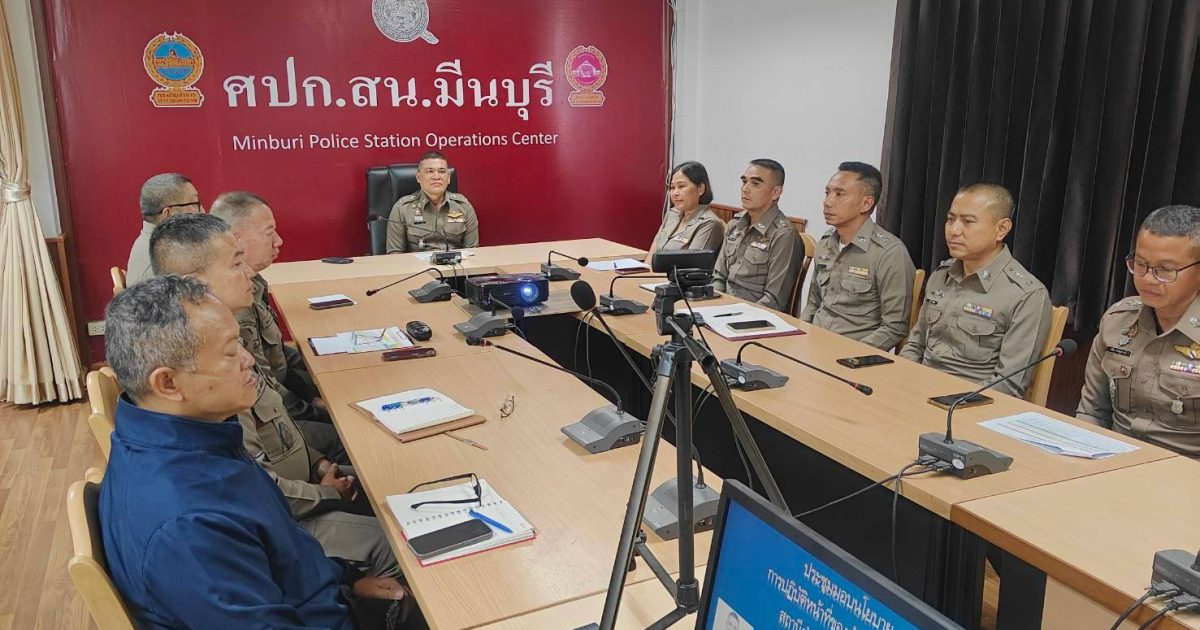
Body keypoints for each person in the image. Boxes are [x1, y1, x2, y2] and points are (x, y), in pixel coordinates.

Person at [100, 275, 406, 628]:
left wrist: (349, 579)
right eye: (231, 352)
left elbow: (286, 549)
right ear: (168, 383)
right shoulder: (187, 525)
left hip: (323, 596)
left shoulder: (199, 437)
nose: (248, 360)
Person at [150, 213, 400, 579]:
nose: (248, 272)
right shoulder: (207, 375)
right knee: (398, 540)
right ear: (194, 284)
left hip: (300, 483)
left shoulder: (220, 342)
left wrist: (317, 464)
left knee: (392, 481)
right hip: (285, 519)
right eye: (236, 263)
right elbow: (260, 492)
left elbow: (280, 425)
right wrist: (326, 493)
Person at [900, 183, 1051, 397]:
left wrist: (943, 400)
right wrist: (901, 380)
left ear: (1002, 229)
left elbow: (1008, 384)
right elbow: (915, 345)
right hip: (916, 389)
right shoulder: (941, 275)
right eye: (950, 219)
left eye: (968, 222)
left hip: (967, 403)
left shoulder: (1025, 294)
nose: (954, 230)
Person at [1077, 205, 1200, 458]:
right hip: (1110, 461)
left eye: (1165, 270)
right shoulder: (1118, 320)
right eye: (1140, 264)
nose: (1147, 279)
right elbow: (1092, 412)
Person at [210, 191, 329, 425]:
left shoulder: (254, 281)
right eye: (269, 232)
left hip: (289, 403)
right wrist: (319, 411)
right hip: (280, 420)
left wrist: (316, 387)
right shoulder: (235, 304)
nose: (279, 241)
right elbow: (265, 386)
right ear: (236, 239)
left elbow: (279, 357)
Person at [802, 162, 915, 350]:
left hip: (851, 353)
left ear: (866, 203)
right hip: (814, 343)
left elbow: (894, 327)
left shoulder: (889, 253)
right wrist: (801, 335)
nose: (827, 202)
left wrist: (852, 355)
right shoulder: (826, 242)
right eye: (827, 193)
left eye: (840, 194)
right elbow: (813, 303)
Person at [711, 159, 801, 312]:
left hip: (754, 316)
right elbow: (718, 277)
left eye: (755, 184)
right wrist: (714, 307)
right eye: (744, 182)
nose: (745, 189)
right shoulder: (735, 224)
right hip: (722, 309)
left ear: (775, 192)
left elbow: (774, 300)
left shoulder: (783, 235)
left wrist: (735, 315)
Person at [386, 151, 479, 253]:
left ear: (448, 178)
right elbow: (395, 254)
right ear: (418, 177)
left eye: (442, 171)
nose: (436, 177)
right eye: (430, 171)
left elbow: (472, 251)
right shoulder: (402, 209)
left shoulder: (464, 206)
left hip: (458, 262)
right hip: (418, 263)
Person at [124, 173, 202, 285]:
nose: (202, 211)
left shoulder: (158, 245)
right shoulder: (162, 264)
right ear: (168, 214)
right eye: (195, 203)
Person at [645, 161, 725, 262]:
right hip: (654, 272)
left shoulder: (709, 223)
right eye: (672, 187)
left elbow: (691, 264)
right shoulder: (671, 214)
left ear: (700, 189)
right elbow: (652, 254)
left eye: (681, 186)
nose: (675, 193)